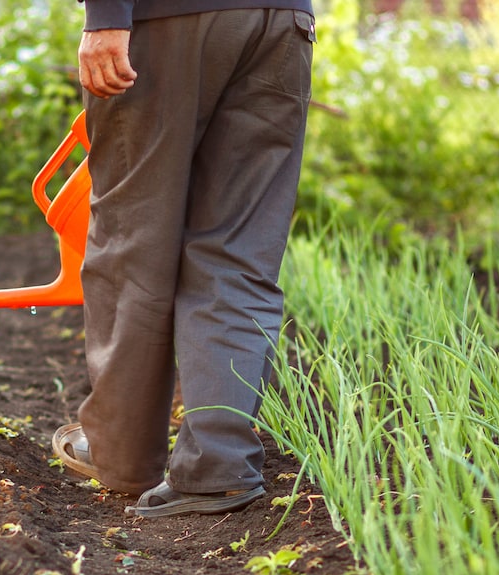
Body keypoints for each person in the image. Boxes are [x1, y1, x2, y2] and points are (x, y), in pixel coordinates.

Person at [51, 0, 316, 518]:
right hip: (282, 22)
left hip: (168, 19)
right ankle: (217, 470)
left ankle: (120, 457)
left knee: (134, 241)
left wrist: (106, 17)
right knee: (238, 250)